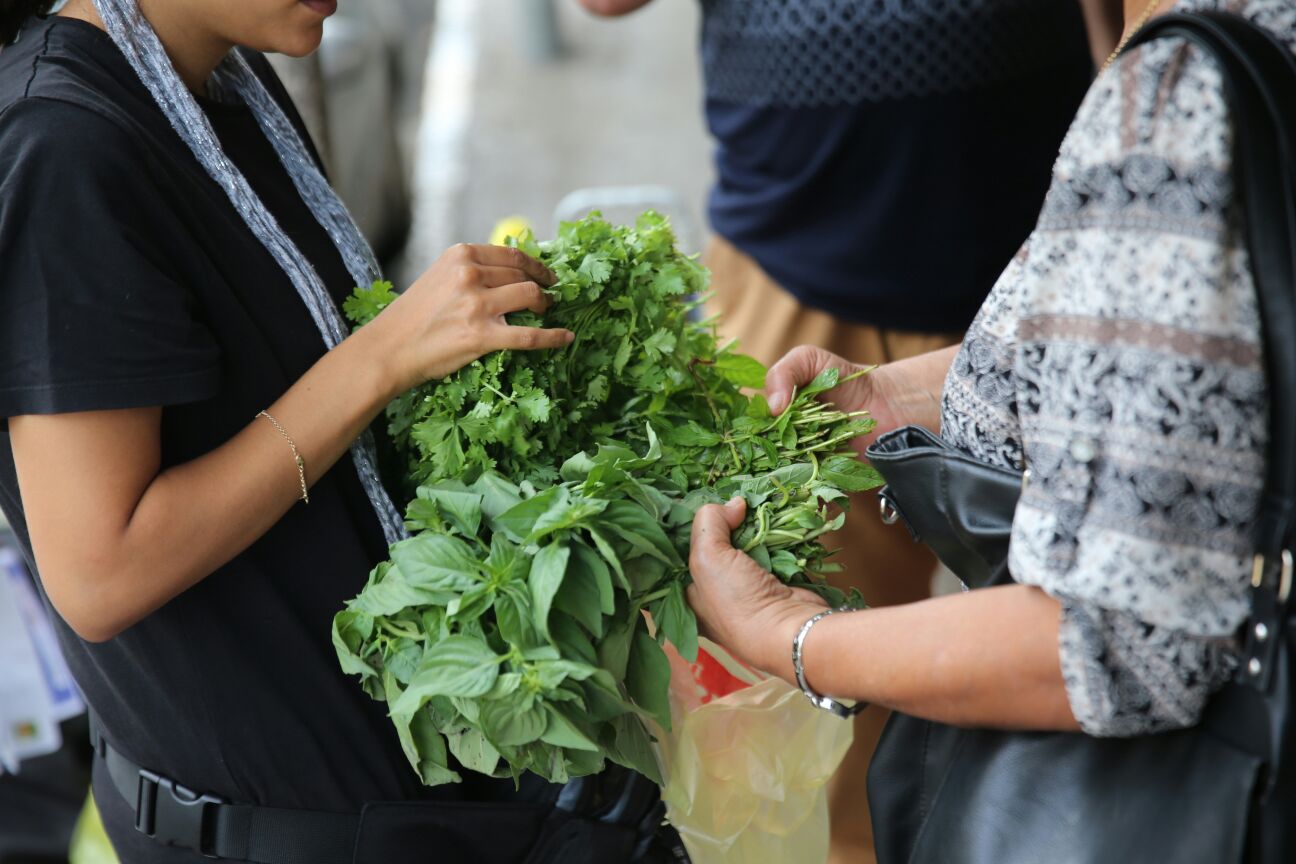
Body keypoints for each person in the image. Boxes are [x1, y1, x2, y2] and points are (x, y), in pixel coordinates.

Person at [0, 2, 677, 862]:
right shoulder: (63, 147)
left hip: (396, 806)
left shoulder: (225, 81)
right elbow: (100, 571)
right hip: (271, 829)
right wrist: (383, 357)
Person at [686, 0, 1289, 852]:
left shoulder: (1171, 109)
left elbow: (1106, 645)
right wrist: (897, 403)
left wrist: (793, 638)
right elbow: (1194, 374)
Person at [577, 1, 1101, 860]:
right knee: (811, 743)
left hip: (1057, 276)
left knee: (1081, 696)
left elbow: (1109, 646)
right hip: (796, 278)